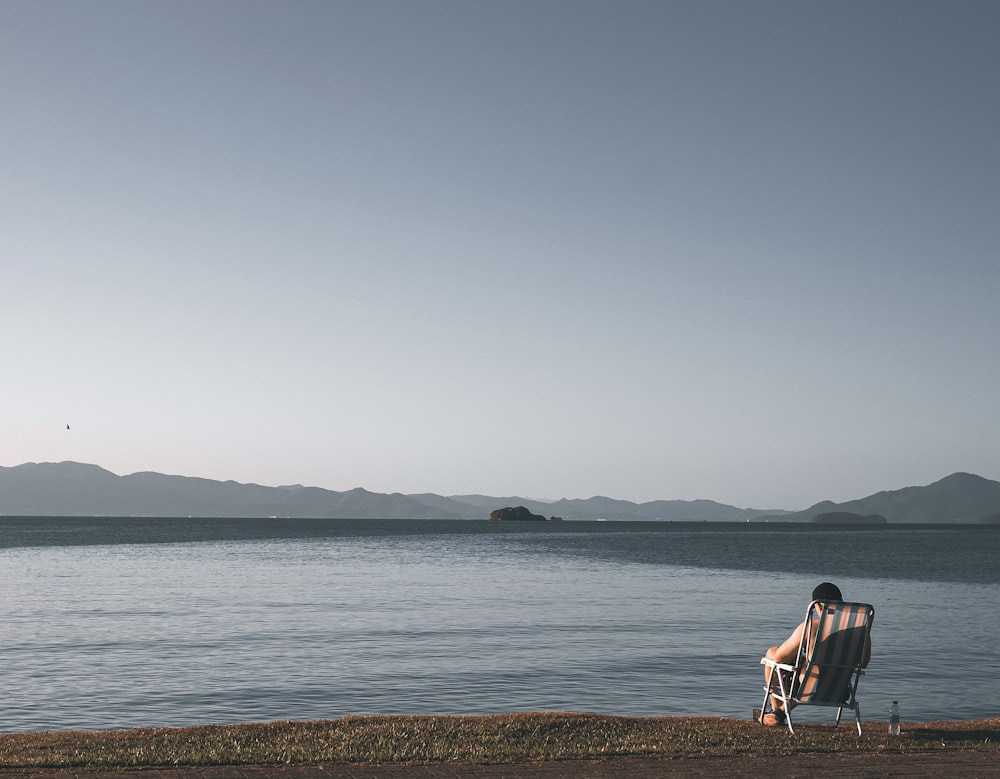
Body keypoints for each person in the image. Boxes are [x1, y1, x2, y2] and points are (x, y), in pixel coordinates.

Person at [761, 582, 871, 726]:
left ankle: (776, 711)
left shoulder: (810, 627)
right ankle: (779, 712)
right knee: (809, 663)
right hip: (840, 690)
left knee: (771, 654)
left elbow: (779, 658)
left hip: (810, 688)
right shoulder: (860, 631)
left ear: (817, 606)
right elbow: (863, 663)